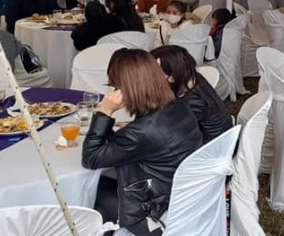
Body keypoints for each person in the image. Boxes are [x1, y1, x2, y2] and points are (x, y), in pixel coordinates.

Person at [82, 48, 201, 236]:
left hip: (152, 211)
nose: (114, 91)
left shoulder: (141, 131)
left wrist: (104, 112)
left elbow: (91, 158)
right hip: (181, 196)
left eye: (116, 86)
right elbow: (126, 146)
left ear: (127, 88)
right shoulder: (179, 106)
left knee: (84, 192)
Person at [151, 45, 234, 144]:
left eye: (155, 73)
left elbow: (169, 130)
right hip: (220, 134)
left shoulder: (191, 101)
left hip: (211, 145)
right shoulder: (192, 79)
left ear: (172, 78)